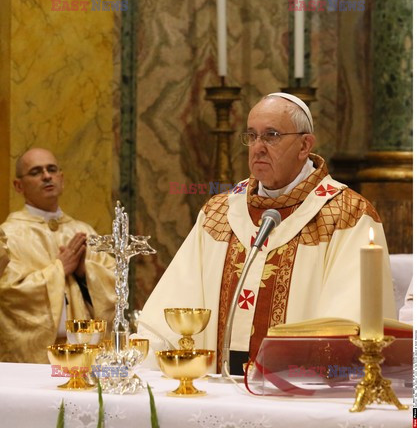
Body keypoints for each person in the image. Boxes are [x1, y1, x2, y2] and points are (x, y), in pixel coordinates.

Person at [138, 93, 396, 374]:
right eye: (251, 136)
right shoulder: (220, 211)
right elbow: (172, 311)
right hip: (218, 386)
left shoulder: (347, 215)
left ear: (304, 145)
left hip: (298, 395)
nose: (257, 147)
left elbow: (349, 320)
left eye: (271, 136)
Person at [0, 148, 116, 363]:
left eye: (51, 169)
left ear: (61, 179)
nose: (46, 176)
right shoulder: (9, 236)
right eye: (35, 172)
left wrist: (85, 273)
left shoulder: (84, 232)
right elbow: (7, 291)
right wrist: (59, 270)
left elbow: (116, 287)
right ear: (18, 186)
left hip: (87, 354)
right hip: (37, 358)